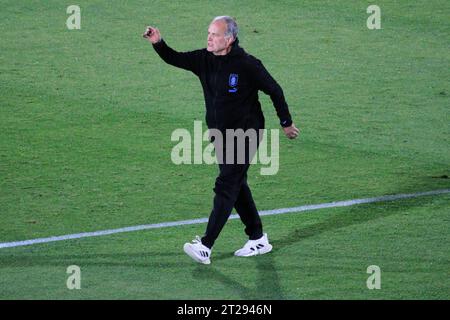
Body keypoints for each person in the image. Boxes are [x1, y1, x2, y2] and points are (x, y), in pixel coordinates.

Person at [144, 16, 299, 264]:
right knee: (236, 185)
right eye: (209, 33)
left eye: (215, 34)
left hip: (246, 133)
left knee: (226, 185)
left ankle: (205, 246)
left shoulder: (247, 64)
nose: (209, 38)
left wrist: (286, 123)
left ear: (229, 39)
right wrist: (158, 42)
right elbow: (175, 58)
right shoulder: (204, 59)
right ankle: (258, 238)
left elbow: (274, 90)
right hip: (220, 134)